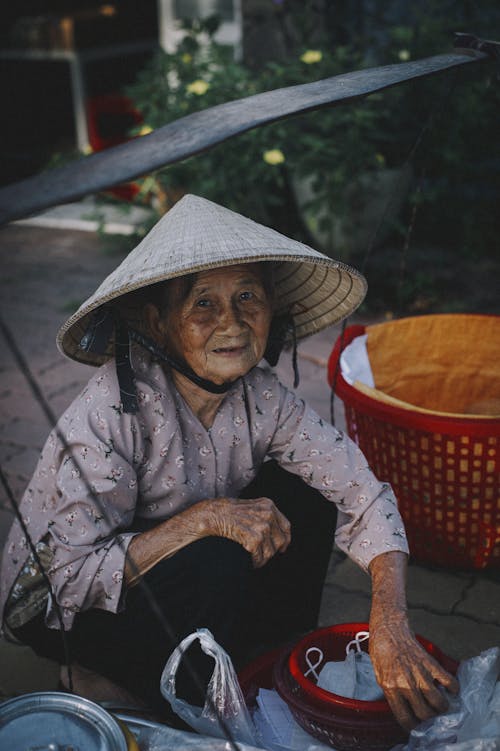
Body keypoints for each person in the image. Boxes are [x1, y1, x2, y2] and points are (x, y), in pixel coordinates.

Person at [0, 194, 458, 731]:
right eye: (203, 304)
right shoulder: (115, 408)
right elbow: (69, 574)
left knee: (305, 492)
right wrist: (203, 519)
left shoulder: (261, 397)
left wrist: (390, 620)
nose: (232, 322)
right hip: (62, 601)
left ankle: (267, 655)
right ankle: (117, 678)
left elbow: (361, 490)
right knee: (217, 552)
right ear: (158, 321)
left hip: (172, 566)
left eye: (248, 297)